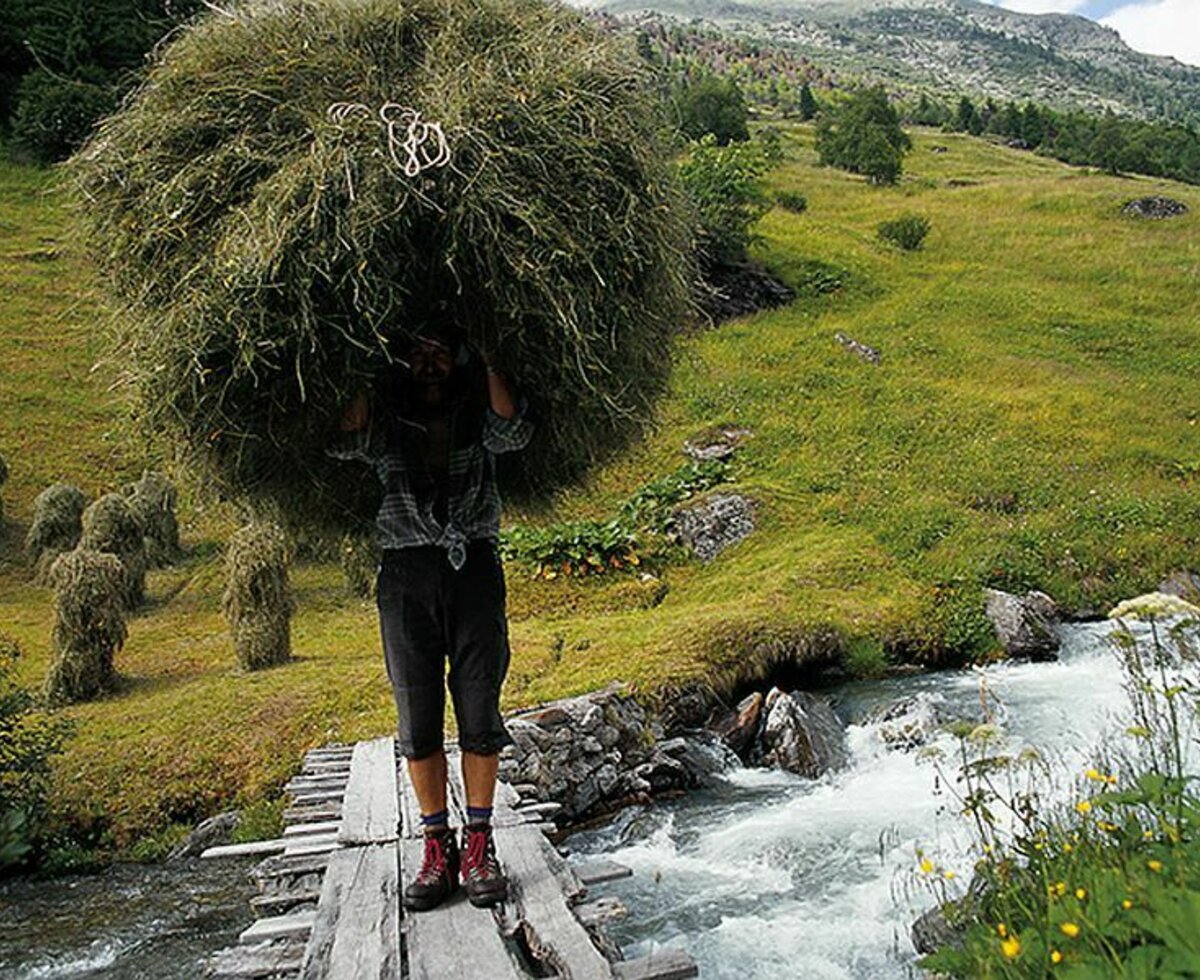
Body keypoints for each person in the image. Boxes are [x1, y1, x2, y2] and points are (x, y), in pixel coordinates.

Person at [335, 322, 533, 911]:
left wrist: (492, 356)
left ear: (457, 359)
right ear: (401, 362)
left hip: (474, 570)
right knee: (417, 719)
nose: (429, 364)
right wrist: (365, 365)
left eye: (439, 353)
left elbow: (516, 430)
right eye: (418, 354)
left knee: (479, 706)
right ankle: (435, 849)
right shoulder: (389, 424)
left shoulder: (475, 414)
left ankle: (479, 844)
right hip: (405, 574)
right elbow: (343, 439)